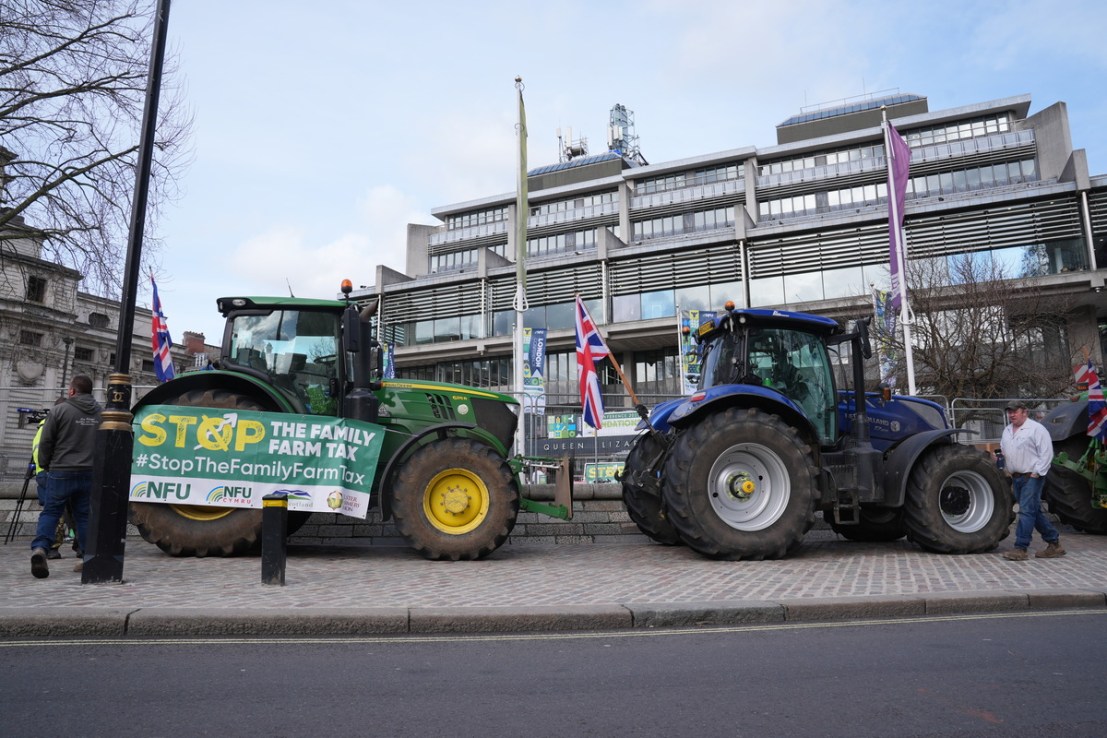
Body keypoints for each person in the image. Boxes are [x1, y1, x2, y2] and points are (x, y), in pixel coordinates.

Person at [30, 374, 101, 579]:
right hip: (89, 472)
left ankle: (41, 549)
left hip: (61, 470)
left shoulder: (59, 410)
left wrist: (45, 464)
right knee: (84, 516)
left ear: (72, 391)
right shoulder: (102, 414)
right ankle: (88, 556)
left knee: (51, 512)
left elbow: (46, 442)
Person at [999, 399, 1065, 561]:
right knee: (1033, 511)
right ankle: (1054, 544)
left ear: (1024, 412)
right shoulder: (1007, 430)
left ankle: (1020, 547)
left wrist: (1037, 472)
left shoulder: (1036, 429)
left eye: (1015, 411)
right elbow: (1004, 449)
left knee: (1026, 511)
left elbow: (1046, 453)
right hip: (1017, 477)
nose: (1012, 414)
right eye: (1010, 411)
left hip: (1032, 477)